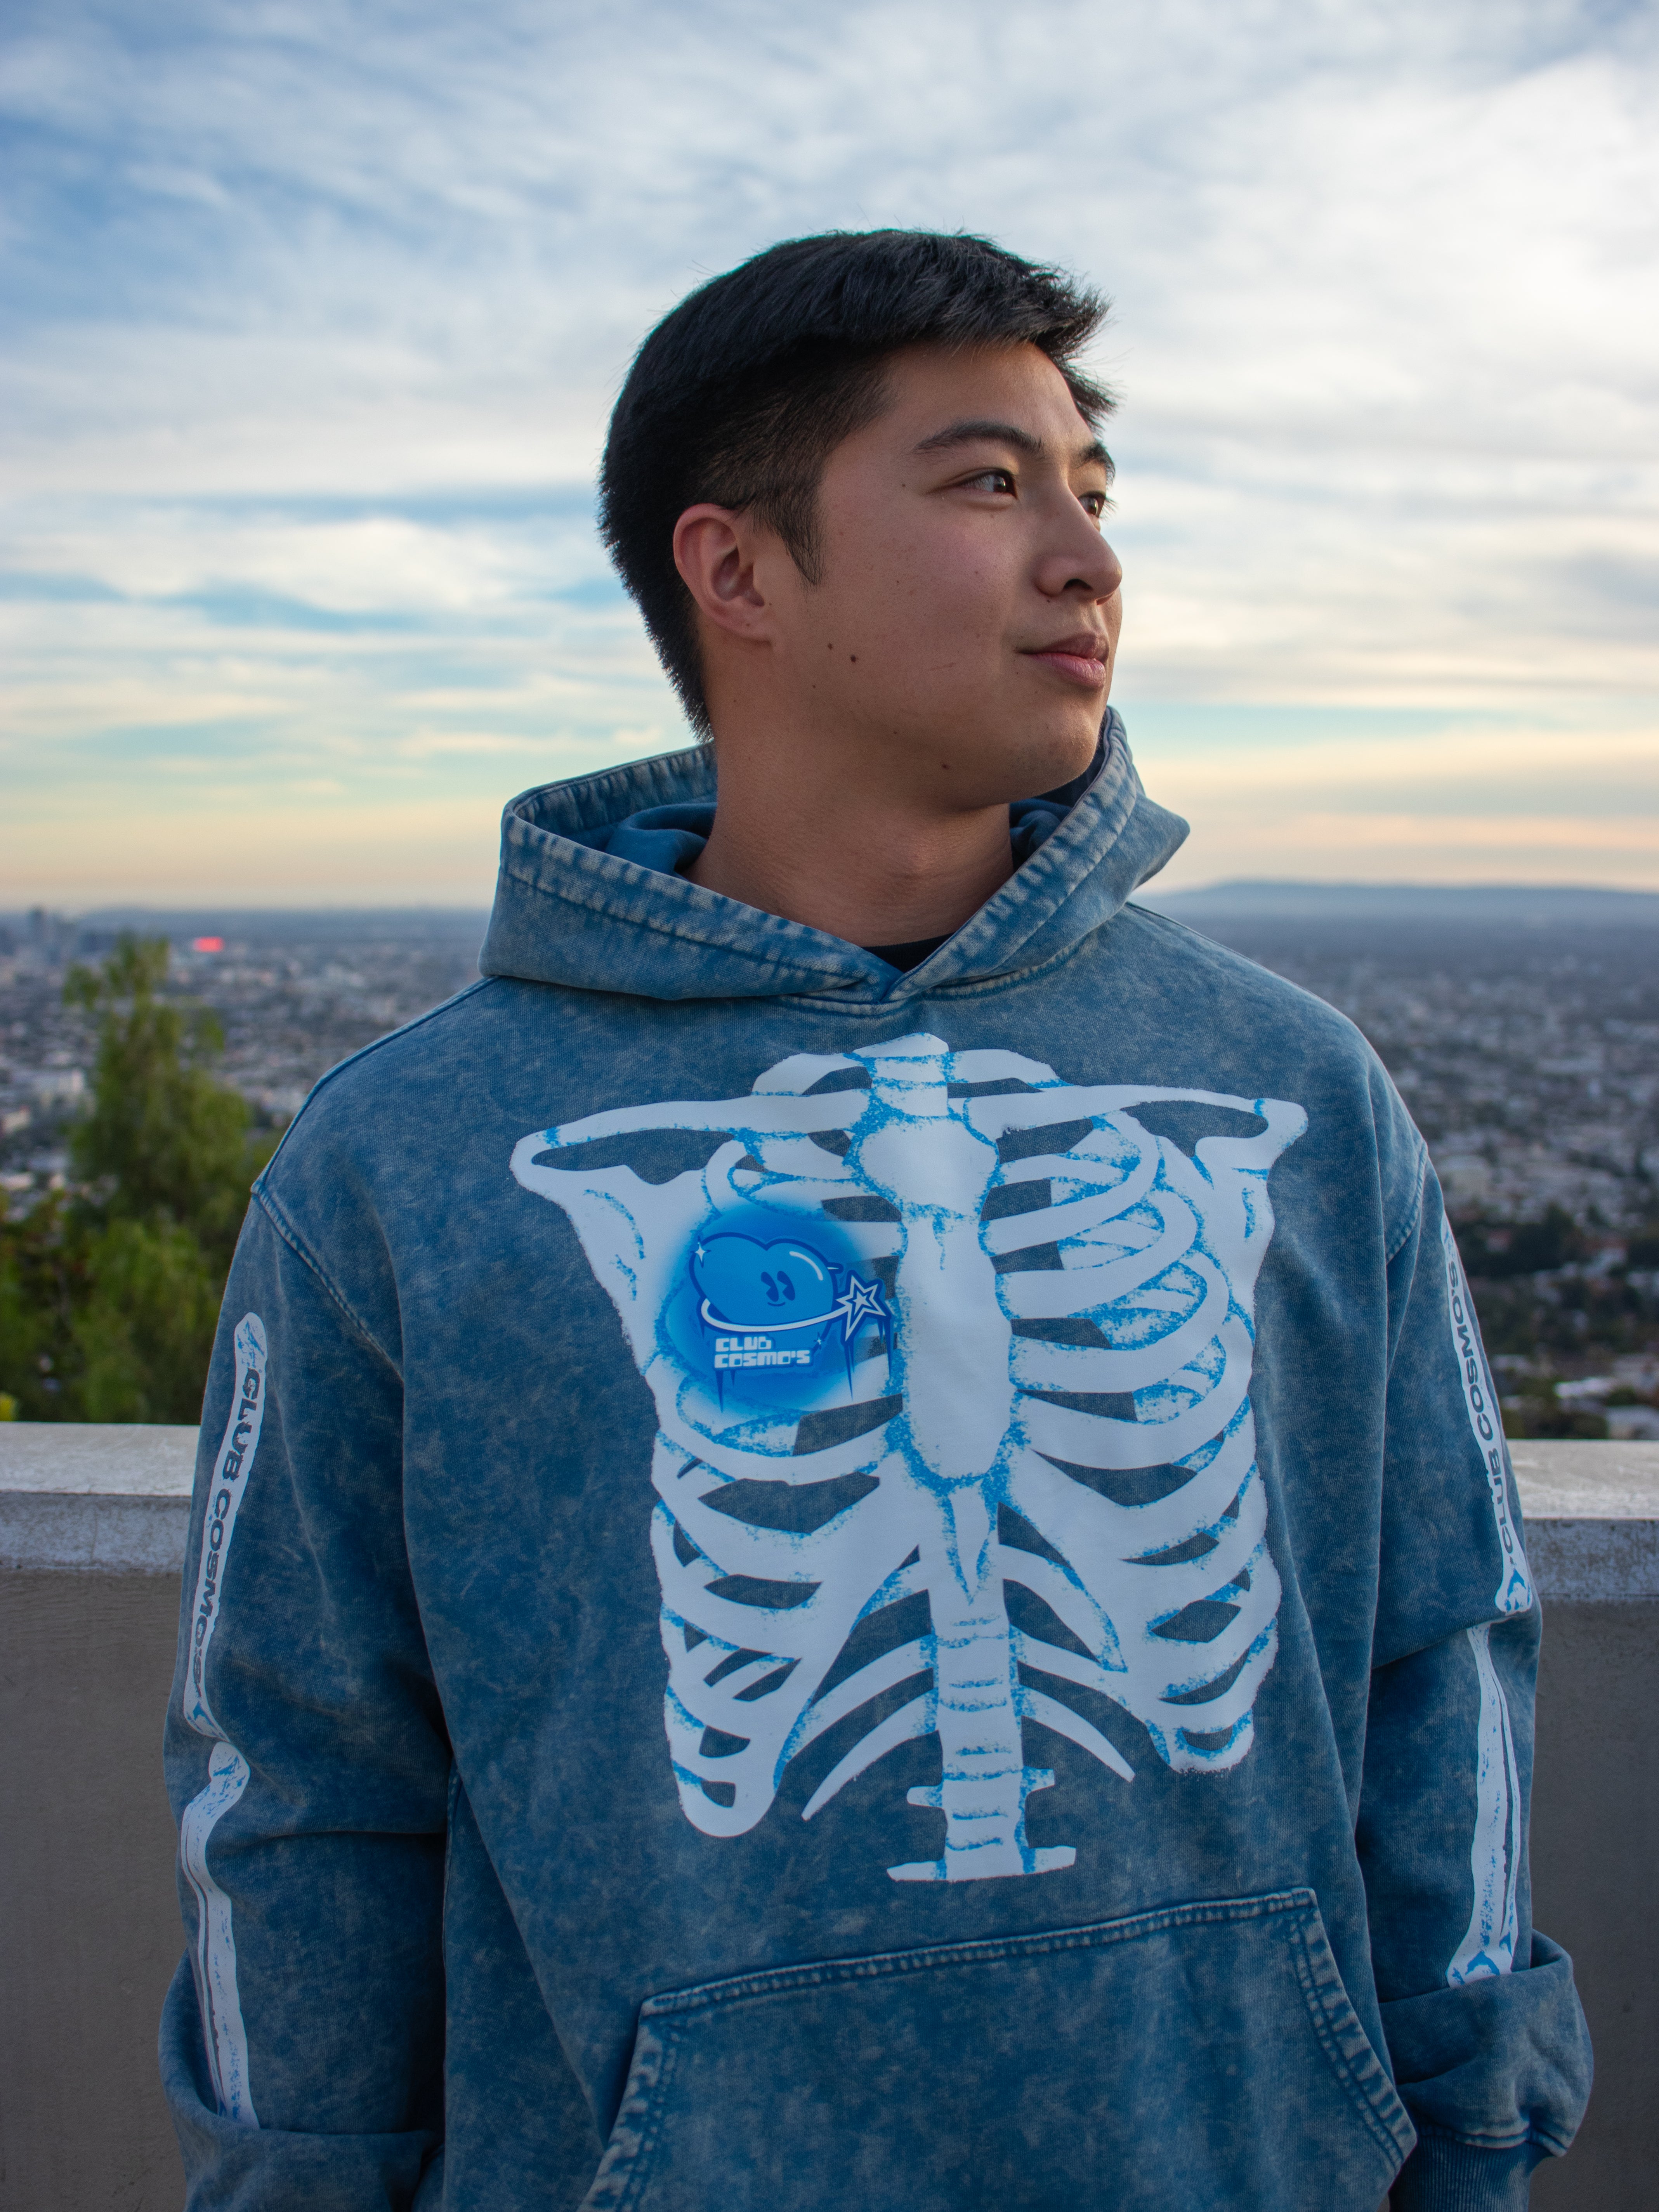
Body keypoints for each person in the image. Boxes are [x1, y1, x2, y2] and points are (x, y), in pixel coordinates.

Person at [162, 230, 1591, 2211]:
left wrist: (1469, 2129)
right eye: (989, 484)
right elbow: (298, 1781)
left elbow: (1441, 1653)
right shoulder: (411, 1160)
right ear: (736, 569)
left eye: (1093, 495)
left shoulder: (1296, 1092)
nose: (1087, 559)